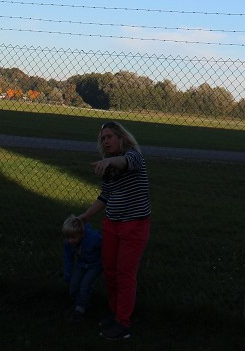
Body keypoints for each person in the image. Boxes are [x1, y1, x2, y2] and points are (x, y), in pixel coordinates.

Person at [78, 121, 151, 341]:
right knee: (110, 271)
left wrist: (110, 160)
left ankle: (123, 324)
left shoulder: (134, 156)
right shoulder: (110, 167)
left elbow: (126, 162)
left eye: (109, 137)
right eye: (103, 139)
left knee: (125, 274)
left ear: (122, 138)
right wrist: (84, 217)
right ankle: (115, 312)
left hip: (135, 225)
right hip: (112, 224)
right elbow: (105, 197)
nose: (106, 141)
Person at [62, 214, 104, 322]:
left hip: (95, 265)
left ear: (82, 234)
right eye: (67, 237)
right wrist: (68, 273)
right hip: (81, 264)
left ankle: (80, 310)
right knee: (73, 284)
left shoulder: (93, 238)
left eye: (73, 237)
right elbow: (68, 258)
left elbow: (105, 246)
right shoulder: (68, 243)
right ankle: (80, 303)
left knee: (85, 286)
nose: (70, 240)